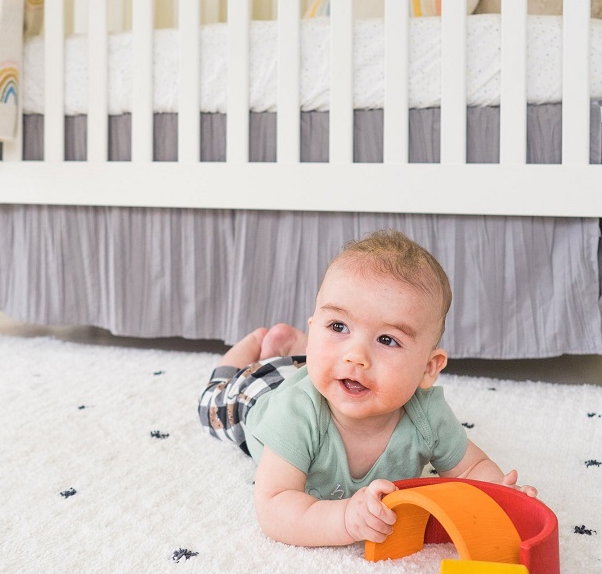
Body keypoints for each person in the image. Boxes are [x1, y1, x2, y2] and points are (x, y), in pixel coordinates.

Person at [197, 229, 537, 549]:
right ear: (316, 328)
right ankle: (258, 345)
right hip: (255, 394)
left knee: (327, 364)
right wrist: (345, 518)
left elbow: (470, 469)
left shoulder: (428, 416)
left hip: (322, 372)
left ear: (428, 368)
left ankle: (297, 349)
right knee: (212, 400)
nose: (357, 355)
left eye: (387, 339)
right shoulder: (296, 412)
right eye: (338, 326)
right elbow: (274, 507)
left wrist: (499, 495)